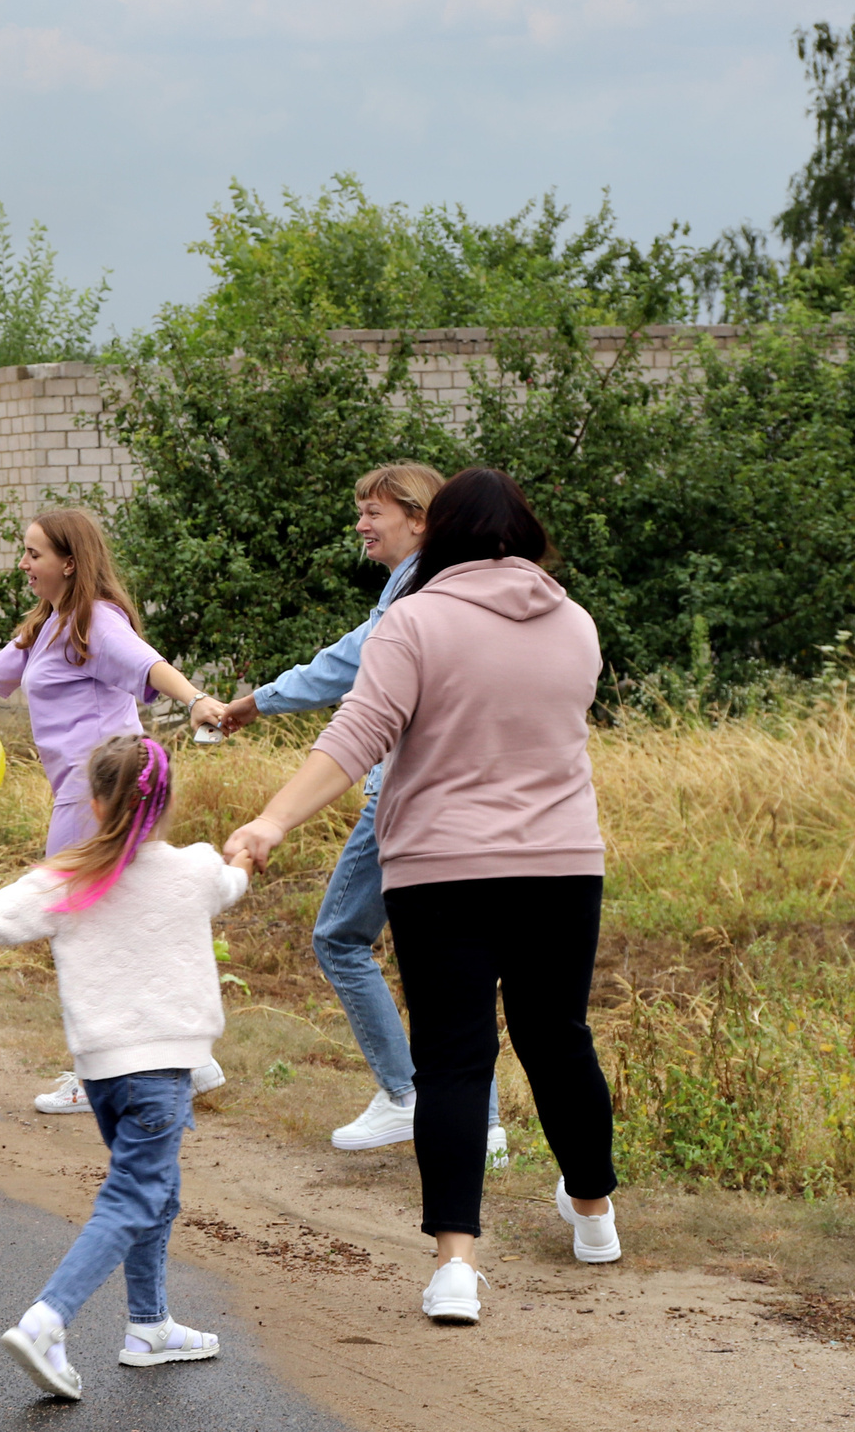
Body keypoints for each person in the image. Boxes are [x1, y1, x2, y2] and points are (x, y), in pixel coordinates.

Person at [226, 468, 618, 1327]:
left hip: (443, 870)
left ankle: (454, 1269)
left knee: (452, 1060)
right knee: (558, 1040)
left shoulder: (413, 620)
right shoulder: (577, 624)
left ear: (440, 534)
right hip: (563, 865)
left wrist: (271, 820)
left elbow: (356, 734)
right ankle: (594, 1217)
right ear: (522, 533)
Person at [0, 735, 244, 1402]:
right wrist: (247, 849)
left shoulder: (67, 878)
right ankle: (47, 1320)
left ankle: (149, 1326)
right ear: (167, 802)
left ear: (93, 802)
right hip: (160, 1074)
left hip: (102, 1077)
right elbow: (235, 878)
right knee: (134, 1197)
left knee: (156, 1190)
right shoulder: (198, 868)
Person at [0, 507, 228, 1115]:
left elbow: (147, 663)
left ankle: (98, 1075)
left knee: (79, 932)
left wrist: (195, 698)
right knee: (121, 924)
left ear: (70, 561)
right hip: (93, 797)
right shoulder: (50, 625)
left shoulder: (94, 621)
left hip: (95, 799)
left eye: (34, 554)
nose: (24, 564)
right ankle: (190, 1061)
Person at [213, 463, 507, 1167]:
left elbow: (360, 682)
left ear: (420, 516)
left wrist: (271, 801)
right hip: (467, 794)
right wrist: (265, 698)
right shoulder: (442, 583)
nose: (360, 525)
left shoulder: (420, 589)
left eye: (373, 512)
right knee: (452, 958)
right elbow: (352, 654)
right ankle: (483, 1124)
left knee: (341, 936)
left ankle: (408, 1096)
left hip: (407, 792)